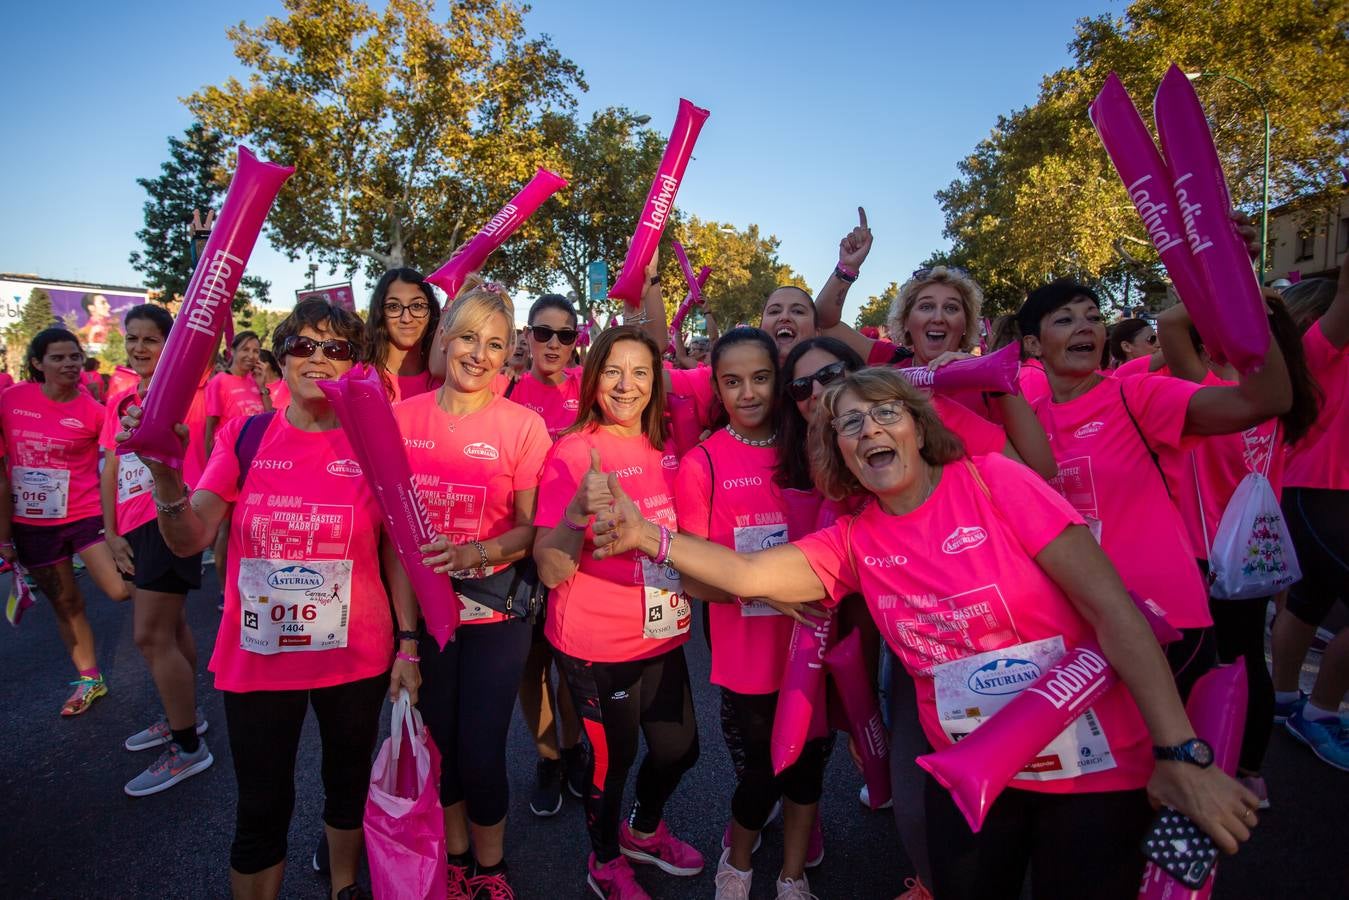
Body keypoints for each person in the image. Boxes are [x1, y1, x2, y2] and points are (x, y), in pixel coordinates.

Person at [590, 367, 1262, 900]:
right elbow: (743, 573)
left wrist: (1180, 753)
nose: (867, 428)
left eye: (884, 412)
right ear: (841, 455)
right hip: (972, 780)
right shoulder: (850, 540)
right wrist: (645, 534)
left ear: (916, 427)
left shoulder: (995, 484)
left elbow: (1114, 610)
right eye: (849, 424)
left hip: (1091, 774)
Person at [121, 299, 416, 900]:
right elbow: (190, 538)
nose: (319, 358)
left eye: (336, 348)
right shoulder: (247, 433)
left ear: (354, 365)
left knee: (346, 784)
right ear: (281, 358)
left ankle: (343, 887)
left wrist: (409, 644)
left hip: (352, 654)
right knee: (261, 805)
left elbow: (397, 550)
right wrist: (168, 481)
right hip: (259, 658)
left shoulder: (375, 442)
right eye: (304, 345)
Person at [1017, 278, 1292, 697]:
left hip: (1164, 619)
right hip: (1080, 626)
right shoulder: (1028, 421)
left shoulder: (1139, 395)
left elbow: (1265, 401)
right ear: (1034, 345)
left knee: (1175, 754)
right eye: (1066, 319)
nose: (1086, 327)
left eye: (1093, 318)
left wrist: (1243, 302)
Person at [394, 279, 551, 897]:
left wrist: (472, 554)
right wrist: (405, 639)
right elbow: (396, 544)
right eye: (467, 338)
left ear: (509, 351)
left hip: (495, 615)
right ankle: (456, 860)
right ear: (443, 339)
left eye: (494, 343)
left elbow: (532, 530)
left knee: (481, 750)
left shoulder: (523, 426)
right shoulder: (401, 420)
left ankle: (492, 868)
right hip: (425, 619)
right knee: (440, 748)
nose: (478, 355)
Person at [533, 326, 702, 900]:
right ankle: (604, 862)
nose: (626, 386)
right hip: (596, 646)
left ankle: (643, 831)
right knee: (615, 762)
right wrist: (578, 513)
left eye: (640, 373)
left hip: (664, 630)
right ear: (592, 377)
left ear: (656, 383)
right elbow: (550, 569)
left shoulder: (669, 446)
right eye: (613, 371)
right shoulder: (575, 451)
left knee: (681, 749)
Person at [675, 327, 828, 900]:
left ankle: (792, 873)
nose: (747, 393)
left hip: (815, 645)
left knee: (809, 770)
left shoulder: (813, 450)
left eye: (760, 378)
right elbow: (692, 574)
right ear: (716, 385)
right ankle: (736, 860)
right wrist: (763, 591)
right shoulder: (702, 463)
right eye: (732, 381)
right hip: (745, 657)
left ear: (780, 381)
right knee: (762, 773)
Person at [1153, 293, 1321, 802]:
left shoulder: (1204, 394)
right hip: (1255, 554)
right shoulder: (1289, 401)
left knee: (1192, 666)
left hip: (1200, 553)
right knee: (1249, 659)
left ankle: (1194, 771)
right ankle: (1250, 772)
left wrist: (1229, 284)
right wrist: (1258, 303)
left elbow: (1167, 321)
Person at [100, 305, 212, 795]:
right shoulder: (122, 399)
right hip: (132, 524)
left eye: (152, 339)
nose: (140, 348)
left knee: (149, 636)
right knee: (172, 626)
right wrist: (110, 530)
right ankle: (186, 716)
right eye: (132, 339)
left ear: (171, 346)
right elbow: (111, 465)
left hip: (169, 519)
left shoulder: (183, 394)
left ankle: (188, 748)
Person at [0, 328, 129, 716]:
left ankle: (162, 630)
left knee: (120, 589)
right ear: (38, 363)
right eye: (58, 357)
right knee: (65, 603)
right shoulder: (11, 400)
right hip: (33, 523)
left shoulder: (93, 410)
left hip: (86, 515)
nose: (69, 363)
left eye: (74, 356)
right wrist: (5, 539)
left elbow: (117, 459)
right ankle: (89, 679)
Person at [508, 293, 590, 815]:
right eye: (544, 333)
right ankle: (547, 758)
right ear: (527, 336)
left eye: (566, 335)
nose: (554, 344)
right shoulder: (506, 390)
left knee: (574, 665)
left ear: (578, 340)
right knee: (531, 666)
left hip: (574, 547)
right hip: (519, 549)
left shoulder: (590, 389)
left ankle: (574, 747)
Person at [1271, 258, 1349, 772]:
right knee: (1304, 602)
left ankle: (1282, 700)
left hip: (1315, 493)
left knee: (1305, 603)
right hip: (1321, 492)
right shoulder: (1319, 350)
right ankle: (1319, 713)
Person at [365, 267, 442, 402]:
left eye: (417, 306)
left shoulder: (446, 379)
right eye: (394, 307)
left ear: (432, 312)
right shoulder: (362, 380)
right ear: (380, 314)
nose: (406, 318)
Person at [204, 330, 273, 457]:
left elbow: (269, 418)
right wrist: (210, 467)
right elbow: (209, 431)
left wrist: (262, 387)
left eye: (256, 351)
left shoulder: (255, 381)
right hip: (227, 456)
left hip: (253, 455)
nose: (251, 355)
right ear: (232, 351)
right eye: (245, 349)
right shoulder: (219, 382)